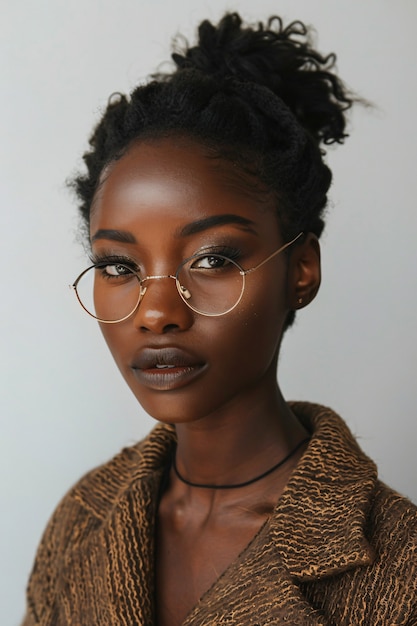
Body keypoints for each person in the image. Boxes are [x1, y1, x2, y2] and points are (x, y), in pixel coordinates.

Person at [22, 12, 417, 626]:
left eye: (211, 258)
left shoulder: (399, 565)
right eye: (120, 266)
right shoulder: (82, 521)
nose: (156, 312)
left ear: (302, 269)